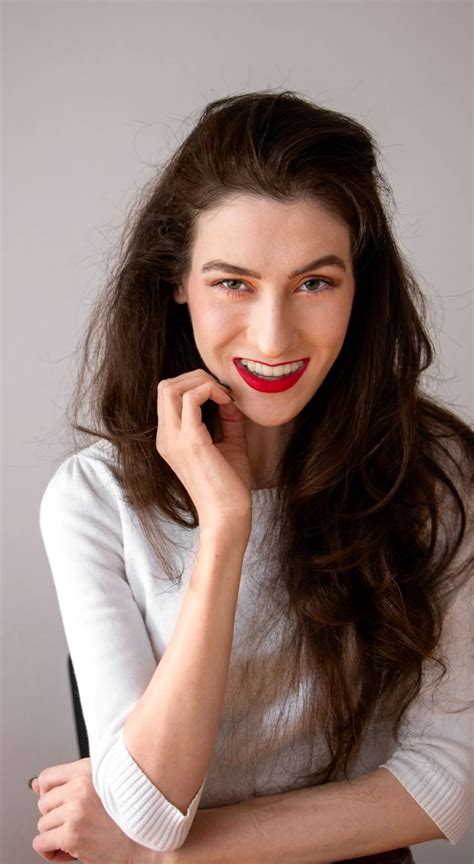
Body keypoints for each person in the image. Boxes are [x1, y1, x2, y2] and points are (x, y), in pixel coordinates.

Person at [31, 90, 473, 864]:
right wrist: (226, 525)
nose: (274, 336)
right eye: (233, 282)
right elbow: (150, 806)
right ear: (177, 282)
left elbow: (444, 783)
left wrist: (154, 858)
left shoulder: (433, 475)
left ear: (358, 287)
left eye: (315, 283)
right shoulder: (93, 498)